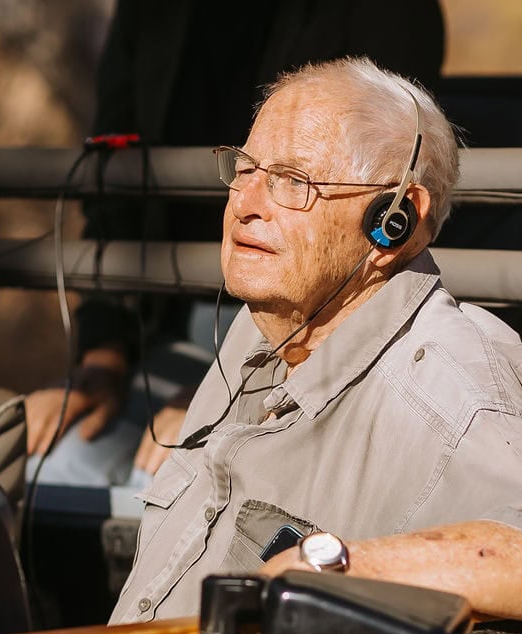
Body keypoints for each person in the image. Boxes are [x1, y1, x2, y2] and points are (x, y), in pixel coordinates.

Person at [110, 58, 522, 625]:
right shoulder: (265, 327)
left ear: (392, 222)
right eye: (245, 168)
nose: (245, 204)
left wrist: (329, 566)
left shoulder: (442, 367)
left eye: (291, 181)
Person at [25, 0, 446, 486]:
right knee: (53, 466)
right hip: (161, 321)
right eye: (240, 169)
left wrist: (239, 385)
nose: (243, 197)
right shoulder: (151, 12)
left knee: (180, 476)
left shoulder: (389, 14)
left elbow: (372, 220)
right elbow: (112, 183)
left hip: (302, 335)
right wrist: (104, 349)